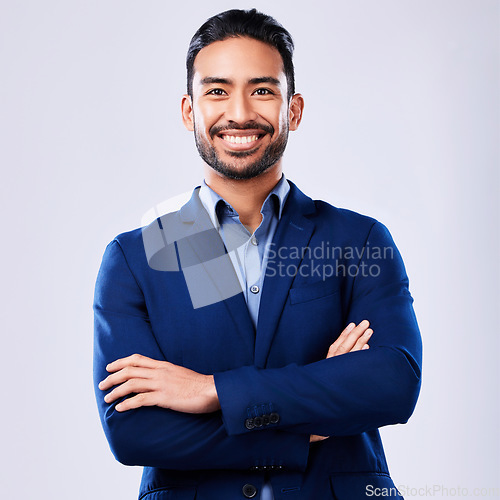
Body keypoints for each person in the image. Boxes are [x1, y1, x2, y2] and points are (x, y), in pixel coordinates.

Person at [93, 8, 422, 500]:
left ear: (294, 109)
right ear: (189, 110)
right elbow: (133, 431)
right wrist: (308, 417)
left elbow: (393, 383)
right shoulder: (136, 257)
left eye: (263, 90)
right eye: (217, 90)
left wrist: (210, 391)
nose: (241, 112)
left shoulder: (359, 240)